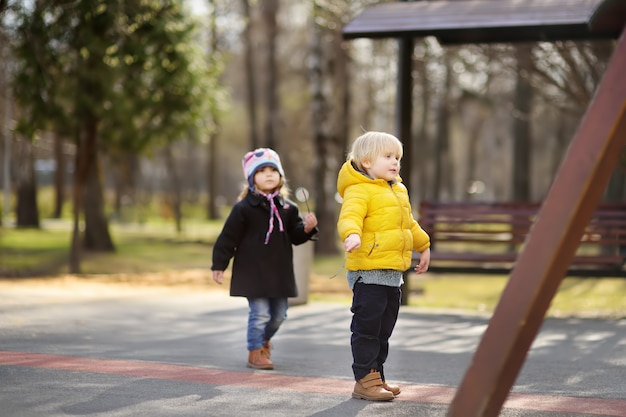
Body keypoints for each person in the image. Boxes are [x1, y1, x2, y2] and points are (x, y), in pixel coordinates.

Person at [336, 131, 431, 401]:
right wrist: (352, 234)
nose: (395, 162)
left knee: (383, 330)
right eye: (388, 156)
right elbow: (349, 216)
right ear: (366, 161)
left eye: (397, 157)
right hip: (368, 273)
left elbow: (409, 224)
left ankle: (377, 375)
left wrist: (423, 245)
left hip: (392, 276)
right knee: (367, 329)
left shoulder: (398, 190)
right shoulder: (358, 189)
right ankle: (364, 380)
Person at [212, 148, 318, 370]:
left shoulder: (288, 208)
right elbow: (227, 238)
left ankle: (264, 342)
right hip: (252, 273)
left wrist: (307, 228)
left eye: (273, 170)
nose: (269, 174)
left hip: (279, 273)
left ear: (281, 176)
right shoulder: (243, 209)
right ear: (252, 179)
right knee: (260, 313)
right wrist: (219, 265)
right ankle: (255, 352)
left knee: (279, 315)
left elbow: (296, 236)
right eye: (262, 171)